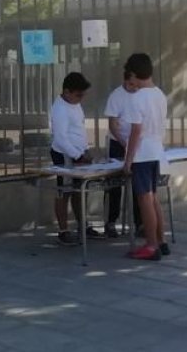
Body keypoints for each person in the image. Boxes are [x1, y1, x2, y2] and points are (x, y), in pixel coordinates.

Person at [122, 53, 169, 261]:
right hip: (157, 150)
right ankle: (161, 240)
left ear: (133, 74)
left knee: (144, 199)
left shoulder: (137, 97)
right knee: (153, 198)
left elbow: (135, 132)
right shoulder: (159, 94)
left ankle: (150, 245)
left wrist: (128, 160)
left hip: (142, 154)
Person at [48, 71, 99, 245]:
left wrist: (85, 150)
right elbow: (60, 138)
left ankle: (82, 225)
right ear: (67, 91)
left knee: (80, 190)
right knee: (64, 191)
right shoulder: (60, 108)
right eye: (78, 95)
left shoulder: (75, 104)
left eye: (83, 95)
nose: (81, 99)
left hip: (78, 152)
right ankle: (63, 230)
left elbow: (79, 129)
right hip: (64, 154)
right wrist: (77, 155)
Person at [103, 71, 141, 238]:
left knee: (138, 185)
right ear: (125, 81)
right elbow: (112, 125)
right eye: (131, 84)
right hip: (119, 143)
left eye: (136, 84)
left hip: (137, 145)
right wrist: (125, 143)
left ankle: (140, 223)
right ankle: (111, 222)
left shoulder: (142, 94)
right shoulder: (116, 96)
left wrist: (133, 145)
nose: (134, 88)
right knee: (114, 185)